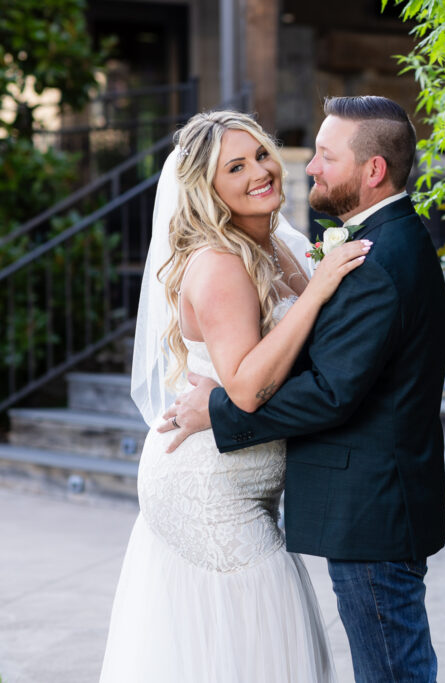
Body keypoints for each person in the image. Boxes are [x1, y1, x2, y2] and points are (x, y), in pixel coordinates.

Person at [161, 96, 445, 683]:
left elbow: (329, 391)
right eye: (235, 166)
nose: (305, 167)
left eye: (323, 154)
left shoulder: (373, 258)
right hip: (234, 486)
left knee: (390, 667)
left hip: (372, 502)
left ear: (372, 171)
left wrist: (216, 412)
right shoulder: (373, 242)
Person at [100, 110, 372, 682]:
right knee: (262, 631)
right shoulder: (220, 264)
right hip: (208, 486)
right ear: (208, 189)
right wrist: (320, 287)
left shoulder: (277, 246)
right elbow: (247, 388)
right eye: (236, 166)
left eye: (262, 154)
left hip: (244, 472)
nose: (261, 171)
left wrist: (317, 282)